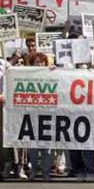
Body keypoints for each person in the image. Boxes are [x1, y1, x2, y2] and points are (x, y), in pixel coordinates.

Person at [27, 53, 52, 181]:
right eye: (36, 62)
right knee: (33, 147)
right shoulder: (26, 76)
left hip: (47, 115)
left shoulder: (51, 75)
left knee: (47, 147)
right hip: (32, 116)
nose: (39, 64)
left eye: (42, 62)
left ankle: (46, 172)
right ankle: (34, 170)